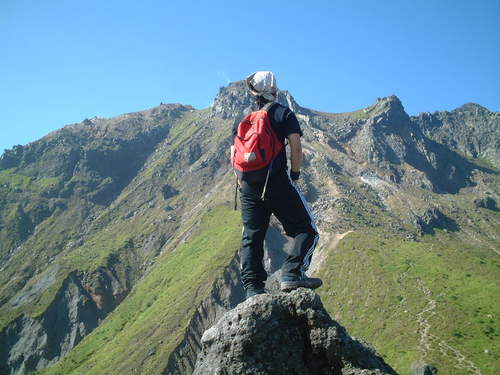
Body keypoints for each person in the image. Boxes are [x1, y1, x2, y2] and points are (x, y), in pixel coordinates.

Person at [234, 71, 322, 299]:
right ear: (273, 90)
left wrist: (243, 182)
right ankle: (292, 274)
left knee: (252, 236)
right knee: (307, 228)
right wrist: (295, 173)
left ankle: (253, 289)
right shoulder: (283, 113)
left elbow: (234, 152)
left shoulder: (243, 120)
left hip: (249, 186)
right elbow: (296, 146)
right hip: (277, 182)